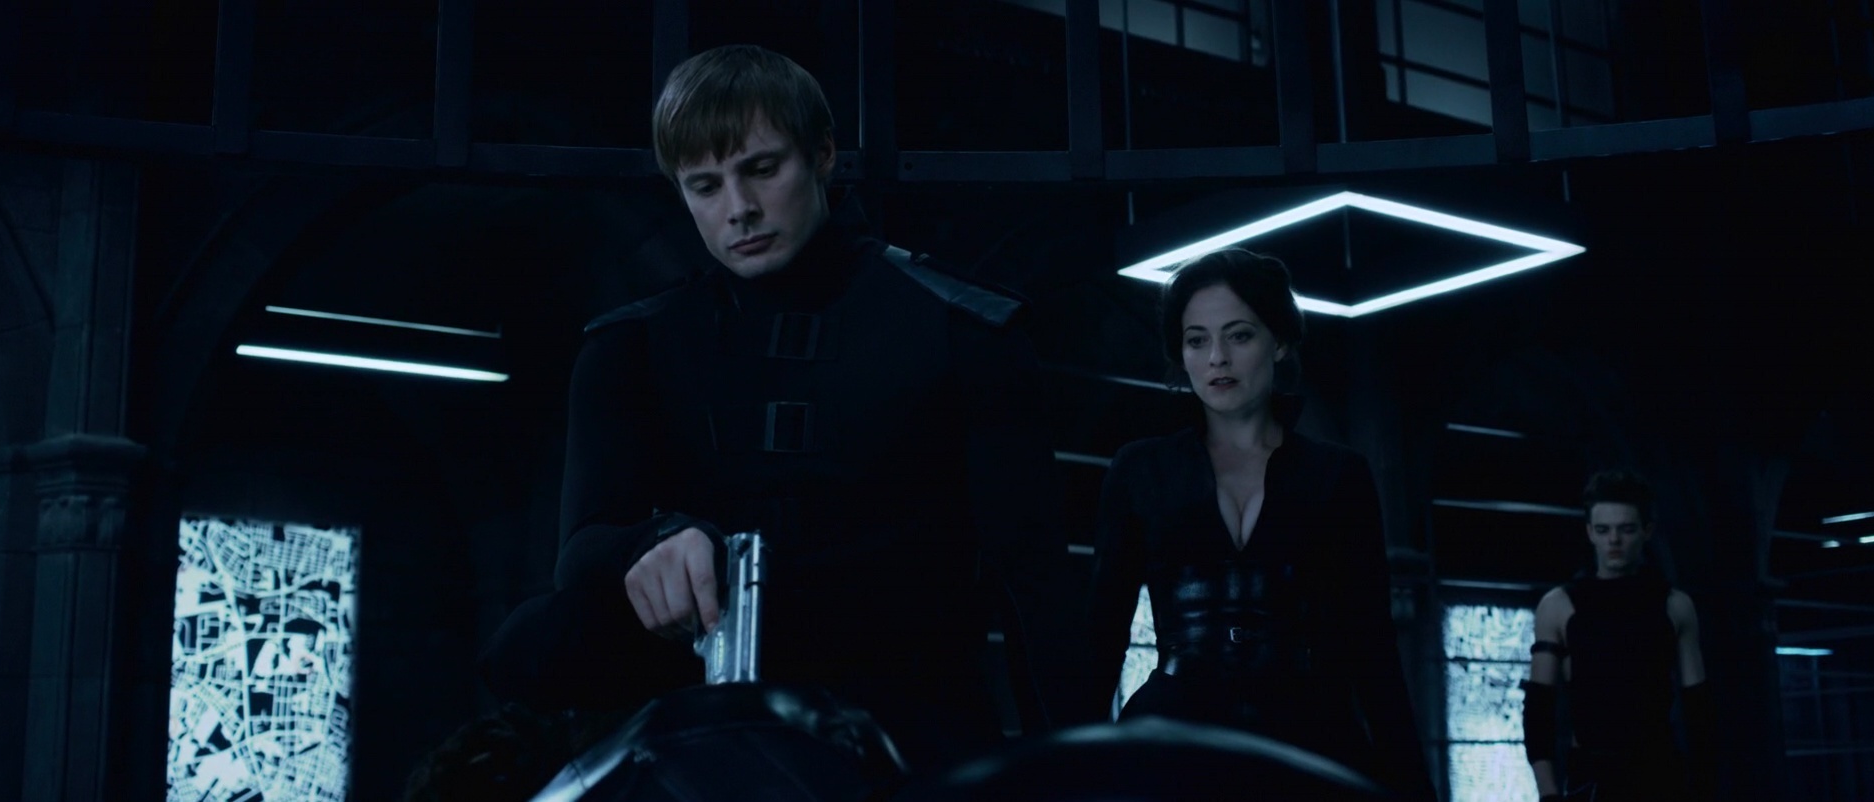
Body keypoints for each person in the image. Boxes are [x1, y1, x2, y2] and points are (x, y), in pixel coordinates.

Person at [476, 44, 1071, 775]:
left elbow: (1037, 594)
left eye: (762, 169)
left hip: (913, 743)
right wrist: (655, 541)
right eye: (705, 185)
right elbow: (581, 550)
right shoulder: (629, 348)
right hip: (709, 743)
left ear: (822, 155)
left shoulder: (964, 331)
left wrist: (1071, 774)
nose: (739, 209)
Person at [1085, 249, 1435, 800]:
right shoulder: (1141, 469)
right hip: (1173, 742)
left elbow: (1371, 647)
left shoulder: (1337, 474)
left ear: (1279, 342)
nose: (1216, 358)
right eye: (1196, 340)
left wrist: (1415, 790)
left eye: (1239, 335)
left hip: (1309, 738)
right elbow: (1102, 637)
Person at [1524, 469, 1714, 801]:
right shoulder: (1559, 606)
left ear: (1646, 531)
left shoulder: (1675, 606)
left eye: (1625, 529)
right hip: (1591, 777)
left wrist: (1701, 789)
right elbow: (1540, 708)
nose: (1614, 540)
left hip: (1660, 776)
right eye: (1603, 530)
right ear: (1590, 532)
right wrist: (1548, 793)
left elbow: (1698, 709)